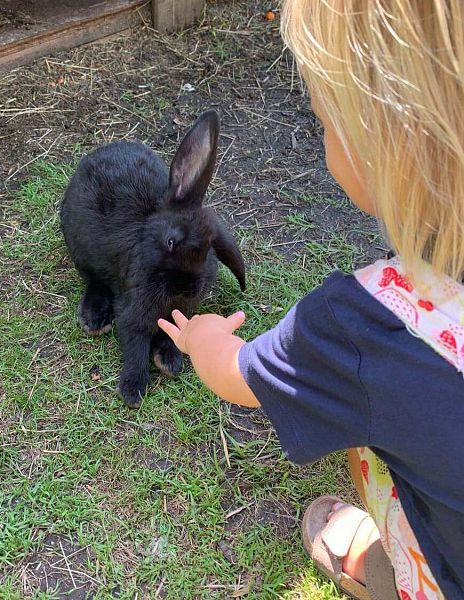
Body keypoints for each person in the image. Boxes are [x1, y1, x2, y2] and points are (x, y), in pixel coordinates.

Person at [158, 1, 464, 598]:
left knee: (366, 433)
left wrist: (204, 338)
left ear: (391, 147)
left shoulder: (368, 326)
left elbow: (239, 374)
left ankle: (392, 569)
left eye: (326, 120)